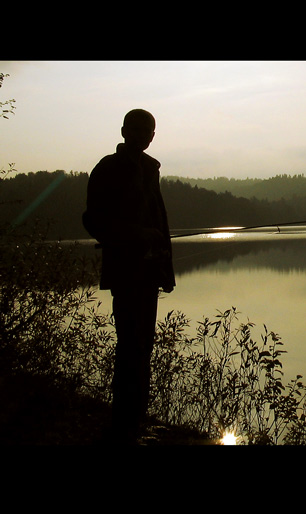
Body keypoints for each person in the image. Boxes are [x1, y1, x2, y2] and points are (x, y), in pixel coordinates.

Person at [82, 109, 175, 444]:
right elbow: (93, 220)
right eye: (136, 129)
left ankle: (135, 424)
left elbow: (159, 224)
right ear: (124, 131)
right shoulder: (108, 168)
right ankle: (123, 428)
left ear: (153, 136)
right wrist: (138, 235)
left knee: (143, 350)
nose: (142, 135)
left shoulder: (151, 170)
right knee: (130, 349)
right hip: (126, 273)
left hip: (149, 273)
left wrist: (166, 268)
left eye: (148, 130)